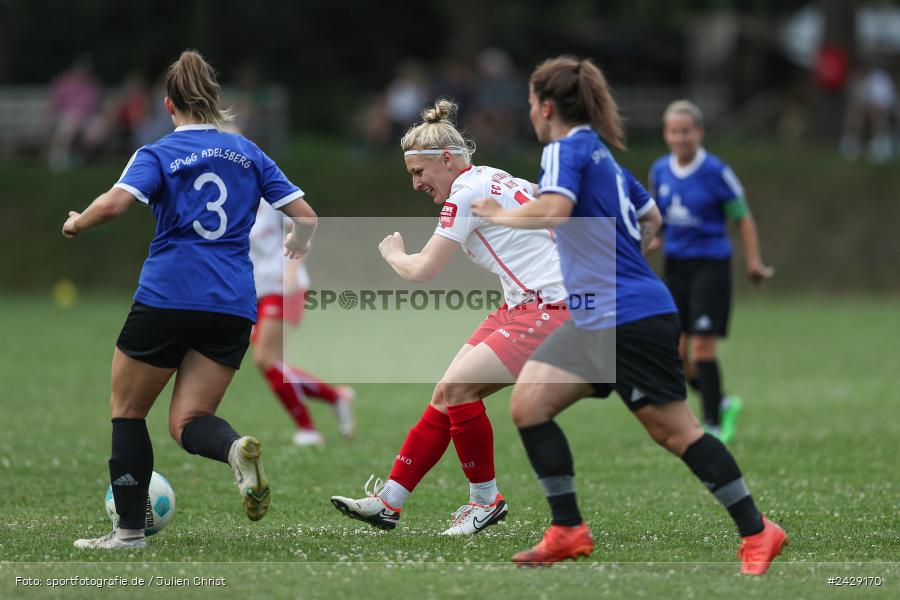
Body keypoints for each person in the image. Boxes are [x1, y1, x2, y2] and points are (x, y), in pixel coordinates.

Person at [471, 56, 786, 574]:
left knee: (677, 432)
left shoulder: (563, 149)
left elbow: (554, 209)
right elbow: (651, 216)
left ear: (546, 107)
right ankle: (567, 530)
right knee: (529, 405)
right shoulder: (600, 153)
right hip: (606, 314)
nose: (530, 111)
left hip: (625, 317)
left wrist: (500, 215)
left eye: (530, 103)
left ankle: (758, 531)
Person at [62, 50, 316, 549]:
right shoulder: (249, 153)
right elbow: (305, 216)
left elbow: (114, 204)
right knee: (190, 421)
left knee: (129, 412)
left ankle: (129, 531)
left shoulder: (157, 153)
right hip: (233, 303)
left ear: (168, 105)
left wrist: (76, 222)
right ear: (216, 102)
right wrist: (298, 246)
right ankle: (232, 450)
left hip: (169, 294)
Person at [330, 99, 570, 535]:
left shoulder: (466, 192)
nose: (417, 184)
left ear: (446, 159)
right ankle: (388, 502)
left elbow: (423, 270)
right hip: (522, 303)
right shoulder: (492, 177)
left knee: (460, 389)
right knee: (448, 392)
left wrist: (393, 254)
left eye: (420, 173)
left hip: (548, 306)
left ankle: (485, 501)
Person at [647, 99, 774, 443]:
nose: (680, 137)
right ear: (666, 134)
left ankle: (714, 424)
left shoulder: (716, 172)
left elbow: (743, 217)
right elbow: (658, 213)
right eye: (674, 131)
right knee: (677, 351)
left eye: (686, 131)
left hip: (710, 267)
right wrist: (654, 238)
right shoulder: (660, 169)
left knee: (703, 348)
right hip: (676, 268)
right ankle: (723, 400)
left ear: (699, 132)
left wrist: (753, 262)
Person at [249, 200, 355, 446]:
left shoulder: (272, 202)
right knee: (274, 364)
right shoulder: (234, 204)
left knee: (265, 359)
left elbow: (303, 230)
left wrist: (293, 270)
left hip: (285, 288)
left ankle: (308, 429)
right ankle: (335, 397)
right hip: (256, 292)